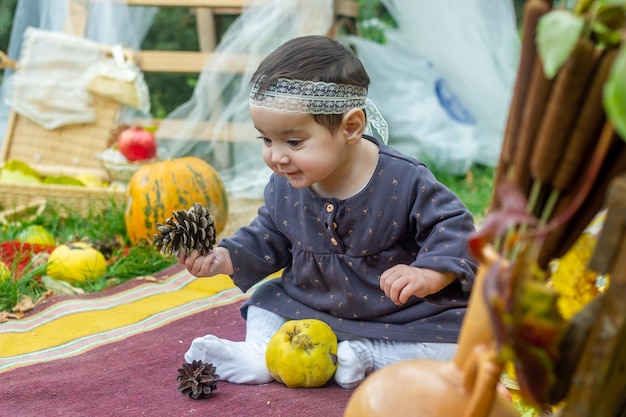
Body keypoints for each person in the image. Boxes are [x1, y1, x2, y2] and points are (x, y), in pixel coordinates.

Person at [178, 35, 478, 389]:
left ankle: (369, 356)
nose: (277, 156)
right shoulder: (285, 183)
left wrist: (428, 274)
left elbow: (454, 227)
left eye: (293, 142)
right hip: (310, 303)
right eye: (266, 140)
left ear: (351, 127)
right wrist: (224, 257)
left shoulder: (404, 179)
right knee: (265, 303)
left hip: (398, 315)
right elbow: (268, 235)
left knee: (460, 342)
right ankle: (261, 353)